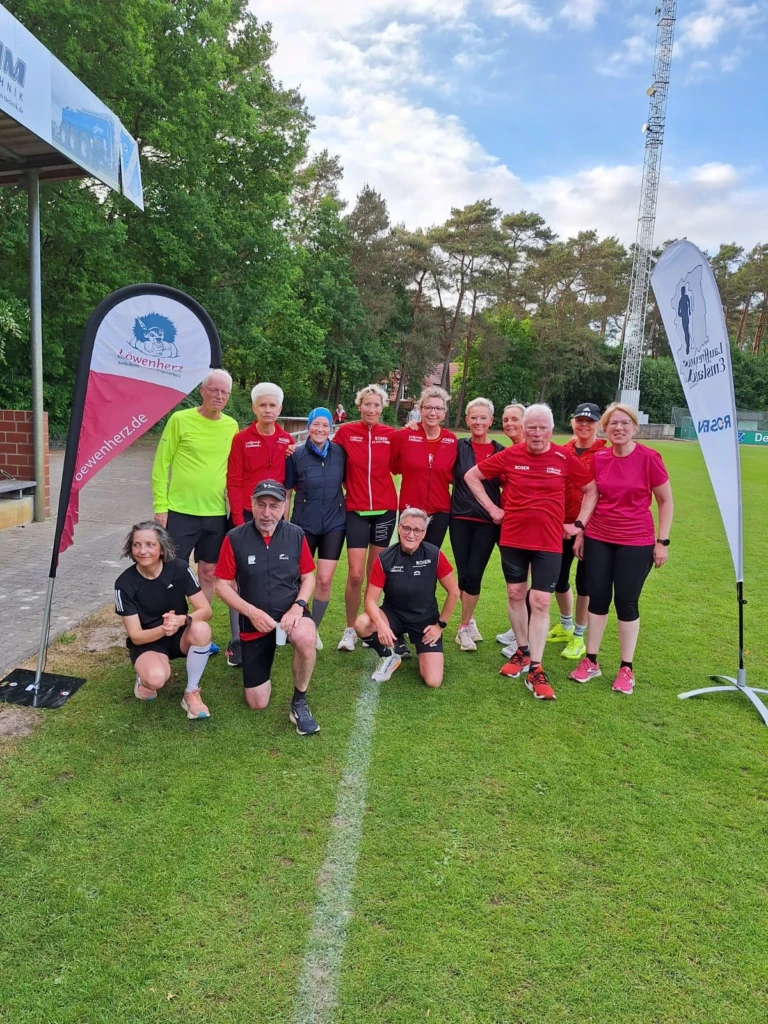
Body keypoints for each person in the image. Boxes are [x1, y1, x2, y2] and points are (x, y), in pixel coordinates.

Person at [464, 403, 598, 701]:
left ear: (552, 430)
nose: (537, 434)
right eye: (531, 428)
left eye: (543, 428)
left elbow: (591, 489)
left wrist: (579, 524)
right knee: (515, 594)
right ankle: (521, 652)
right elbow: (472, 476)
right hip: (512, 538)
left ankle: (536, 666)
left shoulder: (563, 456)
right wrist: (492, 508)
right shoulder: (510, 455)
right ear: (523, 430)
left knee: (539, 601)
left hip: (549, 542)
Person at [569, 403, 673, 695]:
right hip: (599, 537)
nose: (618, 428)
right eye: (612, 423)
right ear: (605, 428)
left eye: (624, 423)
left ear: (634, 427)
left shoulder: (649, 458)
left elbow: (665, 501)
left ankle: (626, 668)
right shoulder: (600, 458)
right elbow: (593, 497)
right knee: (597, 598)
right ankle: (591, 661)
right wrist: (581, 533)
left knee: (626, 602)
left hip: (636, 541)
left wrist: (662, 542)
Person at [214, 480, 320, 735]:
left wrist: (298, 606)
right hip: (255, 622)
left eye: (274, 506)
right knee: (257, 702)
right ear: (251, 504)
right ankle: (265, 654)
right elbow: (222, 585)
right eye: (261, 505)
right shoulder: (235, 538)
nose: (266, 513)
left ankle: (300, 701)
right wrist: (251, 612)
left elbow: (308, 577)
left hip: (290, 615)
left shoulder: (295, 534)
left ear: (284, 506)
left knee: (306, 636)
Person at [151, 368, 238, 654]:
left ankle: (198, 629)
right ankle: (167, 629)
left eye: (224, 392)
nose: (219, 395)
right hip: (180, 511)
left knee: (209, 572)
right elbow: (161, 463)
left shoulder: (231, 426)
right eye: (214, 390)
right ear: (202, 390)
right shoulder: (180, 420)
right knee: (173, 570)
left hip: (215, 514)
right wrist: (160, 506)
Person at [226, 382, 294, 667]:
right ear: (254, 408)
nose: (268, 410)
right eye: (262, 405)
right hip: (246, 514)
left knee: (274, 574)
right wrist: (239, 521)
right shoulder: (242, 439)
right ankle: (237, 639)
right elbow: (234, 480)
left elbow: (288, 485)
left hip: (275, 519)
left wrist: (284, 520)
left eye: (272, 405)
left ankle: (275, 627)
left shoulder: (287, 442)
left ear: (279, 409)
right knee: (239, 580)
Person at [114, 521, 213, 719]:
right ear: (130, 548)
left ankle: (191, 692)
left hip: (180, 634)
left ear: (161, 548)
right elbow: (136, 636)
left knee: (201, 629)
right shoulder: (124, 583)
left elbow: (205, 610)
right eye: (137, 545)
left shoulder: (179, 568)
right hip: (148, 641)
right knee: (156, 679)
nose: (142, 551)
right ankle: (144, 679)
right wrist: (164, 629)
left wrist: (181, 620)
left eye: (150, 544)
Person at [355, 508, 460, 688]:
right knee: (362, 623)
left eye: (417, 530)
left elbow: (454, 592)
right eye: (407, 528)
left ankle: (422, 649)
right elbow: (370, 601)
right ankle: (389, 656)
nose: (411, 534)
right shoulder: (384, 558)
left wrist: (439, 626)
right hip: (393, 616)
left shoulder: (434, 555)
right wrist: (380, 625)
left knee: (433, 681)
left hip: (424, 621)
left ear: (424, 533)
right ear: (398, 528)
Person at [332, 384, 398, 653]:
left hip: (384, 511)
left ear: (382, 408)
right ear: (359, 406)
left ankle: (371, 622)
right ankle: (350, 628)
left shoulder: (391, 435)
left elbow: (405, 461)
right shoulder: (346, 432)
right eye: (367, 404)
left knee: (375, 574)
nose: (371, 409)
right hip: (355, 510)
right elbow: (323, 451)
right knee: (356, 574)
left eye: (376, 405)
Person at [547, 402, 607, 662]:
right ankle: (566, 623)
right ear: (572, 422)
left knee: (585, 583)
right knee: (558, 579)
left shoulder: (605, 452)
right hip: (561, 526)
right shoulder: (562, 451)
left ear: (598, 424)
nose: (584, 425)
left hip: (591, 528)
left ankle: (580, 636)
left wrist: (583, 527)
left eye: (590, 421)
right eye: (580, 420)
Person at [285, 408, 346, 652]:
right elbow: (287, 492)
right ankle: (295, 622)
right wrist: (284, 524)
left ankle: (314, 628)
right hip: (303, 526)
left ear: (331, 427)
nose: (320, 429)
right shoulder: (296, 454)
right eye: (315, 424)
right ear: (309, 426)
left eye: (325, 425)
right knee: (298, 579)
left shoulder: (340, 453)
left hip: (334, 524)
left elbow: (349, 483)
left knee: (323, 579)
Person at [449, 397, 504, 652]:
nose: (478, 422)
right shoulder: (458, 447)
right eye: (474, 417)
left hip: (487, 522)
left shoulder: (501, 451)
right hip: (459, 519)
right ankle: (468, 621)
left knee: (474, 574)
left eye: (484, 417)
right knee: (463, 574)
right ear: (467, 420)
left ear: (491, 421)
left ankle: (462, 627)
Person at [391, 385, 457, 548]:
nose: (432, 413)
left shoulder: (452, 440)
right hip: (410, 509)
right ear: (420, 410)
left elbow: (453, 474)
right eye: (428, 407)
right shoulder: (403, 436)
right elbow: (394, 466)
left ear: (444, 412)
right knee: (407, 556)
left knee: (430, 558)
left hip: (440, 510)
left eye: (438, 408)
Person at [496, 402, 526, 651]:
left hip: (533, 528)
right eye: (506, 420)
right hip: (511, 525)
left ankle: (523, 638)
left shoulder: (536, 449)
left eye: (514, 419)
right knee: (517, 584)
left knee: (529, 585)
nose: (509, 424)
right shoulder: (509, 452)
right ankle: (518, 628)